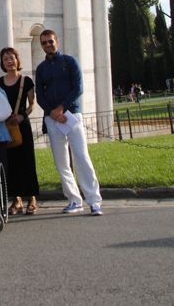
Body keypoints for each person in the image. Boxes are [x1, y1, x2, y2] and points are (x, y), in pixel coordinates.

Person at [35, 30, 103, 216]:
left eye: (50, 41)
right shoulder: (41, 69)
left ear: (57, 41)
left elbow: (78, 88)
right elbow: (39, 94)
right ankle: (74, 199)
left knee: (82, 157)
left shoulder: (70, 62)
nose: (48, 45)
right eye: (44, 43)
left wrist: (62, 108)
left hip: (72, 115)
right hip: (52, 118)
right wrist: (51, 111)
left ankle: (94, 200)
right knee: (61, 162)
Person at [0, 46, 40, 215]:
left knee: (27, 160)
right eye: (6, 59)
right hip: (6, 126)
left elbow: (32, 104)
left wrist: (22, 116)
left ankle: (32, 198)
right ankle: (17, 199)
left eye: (12, 58)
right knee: (11, 162)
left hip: (22, 125)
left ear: (17, 60)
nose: (9, 61)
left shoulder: (26, 81)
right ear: (2, 63)